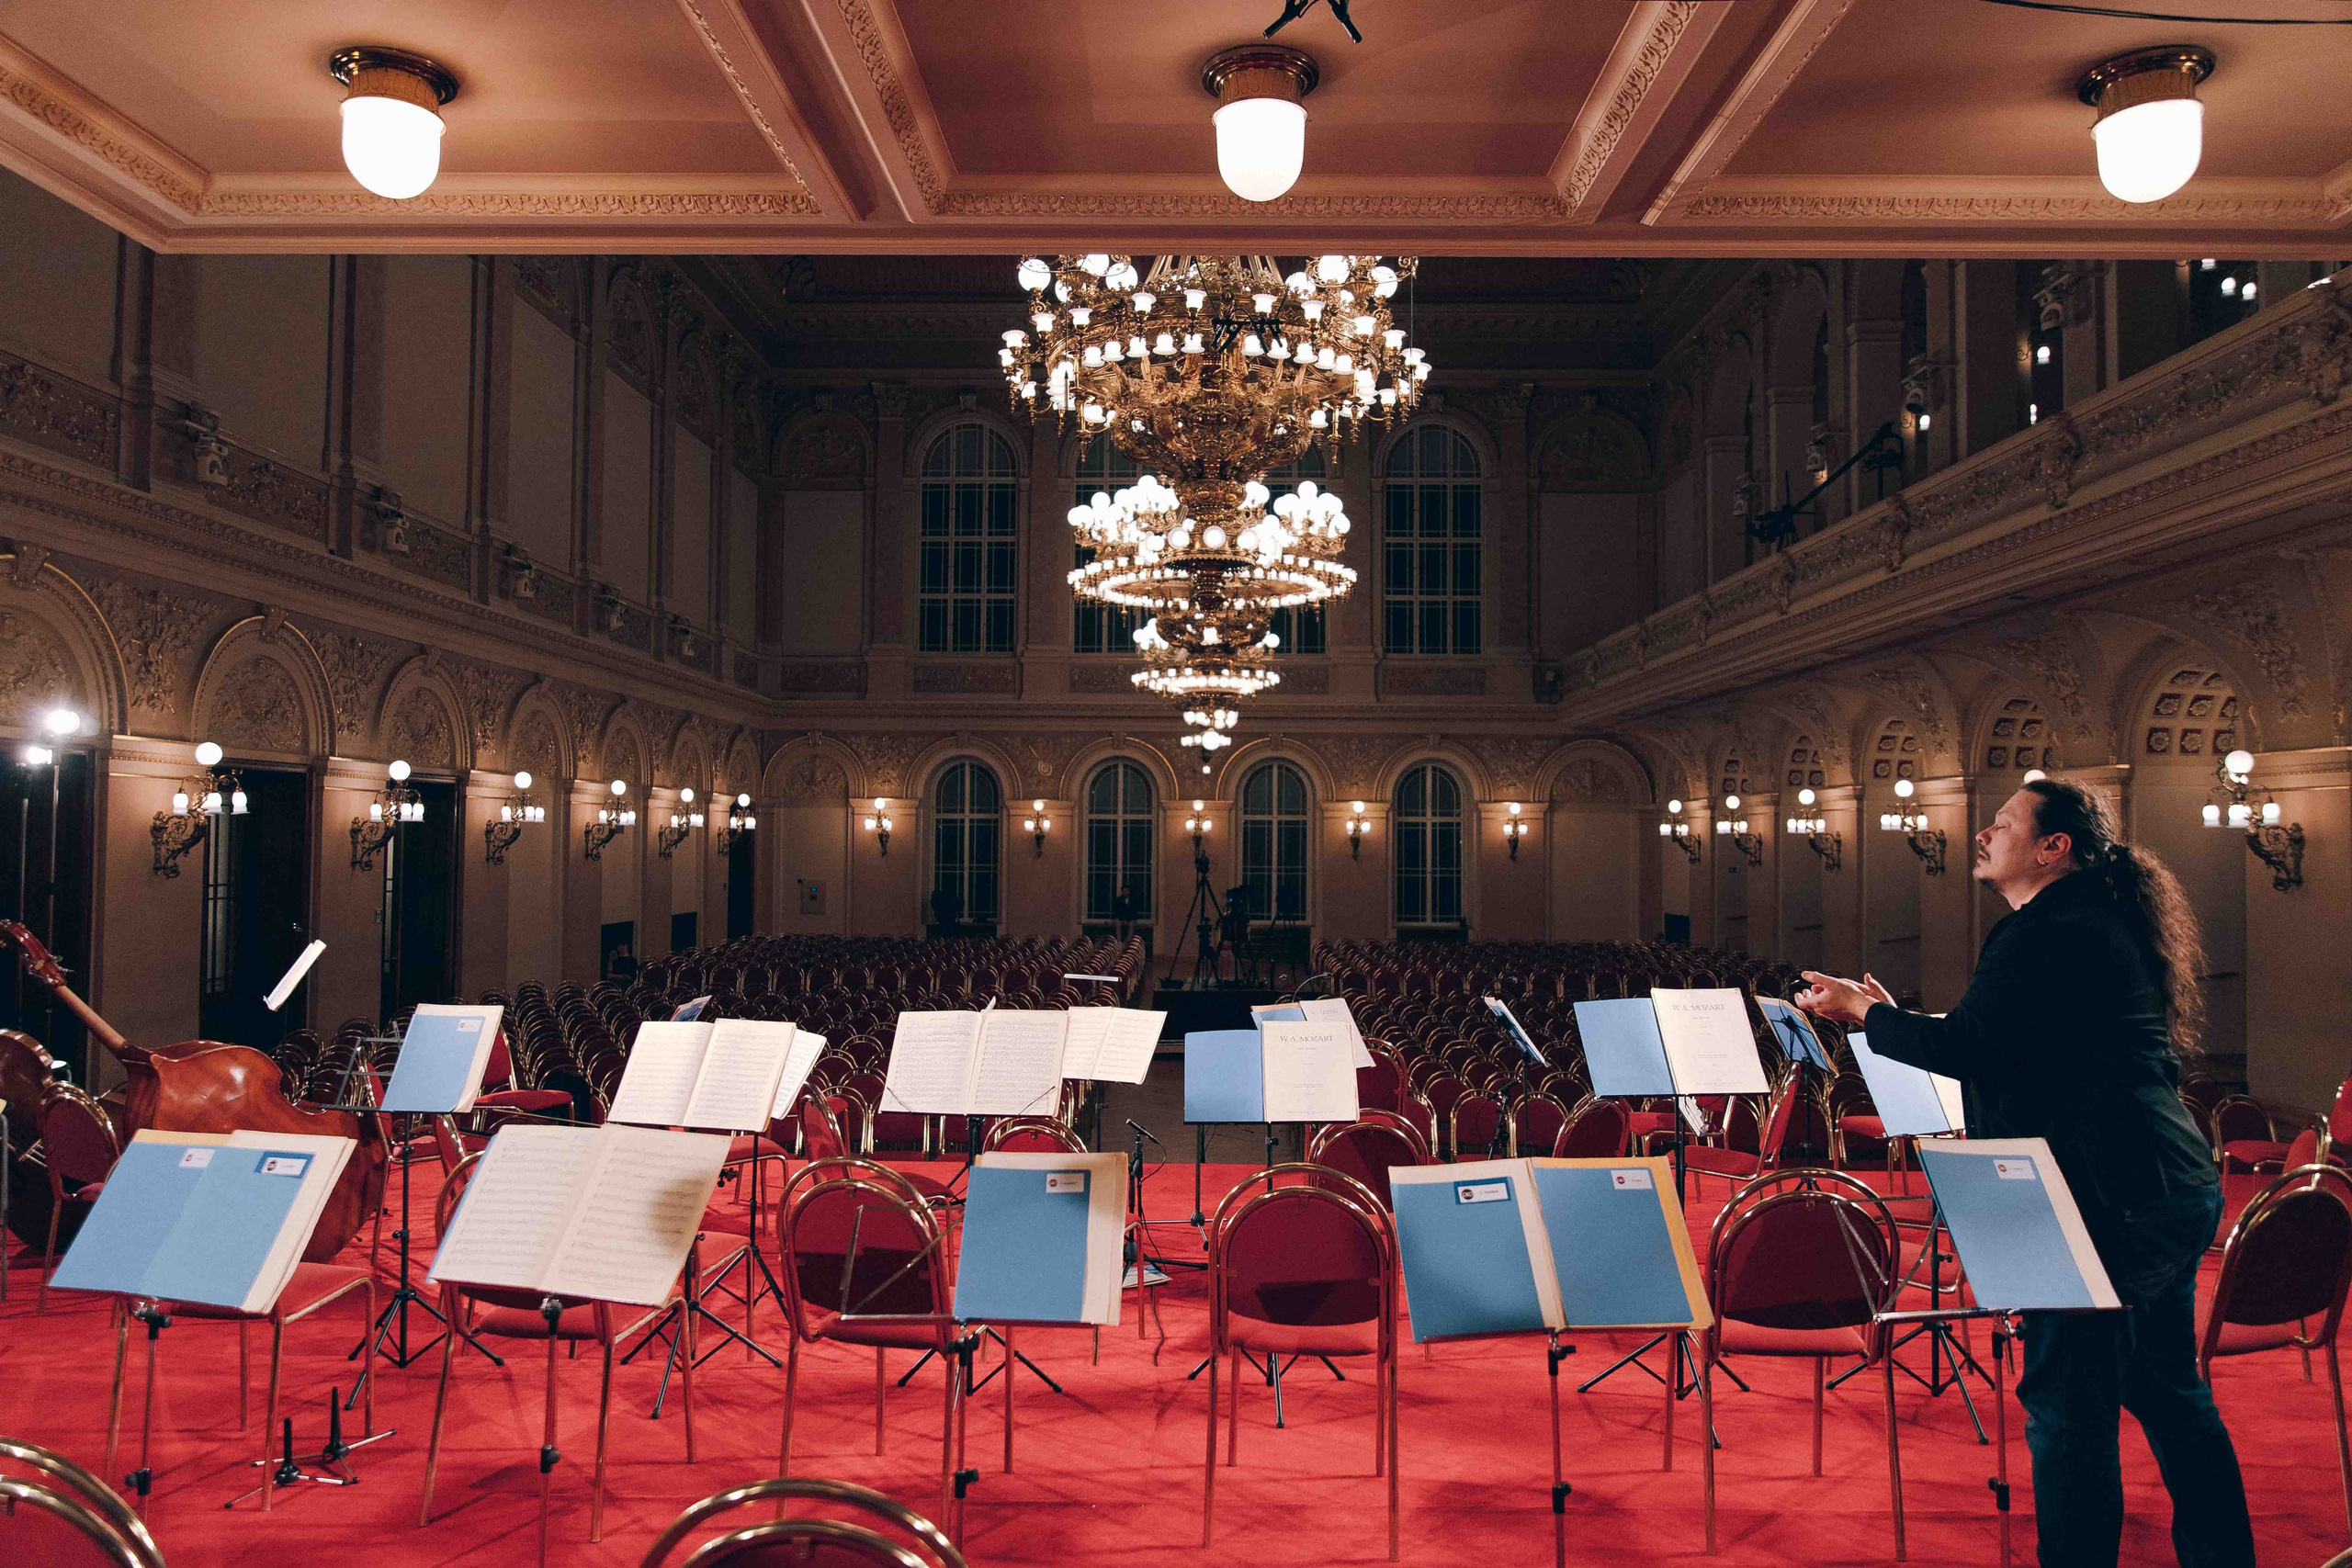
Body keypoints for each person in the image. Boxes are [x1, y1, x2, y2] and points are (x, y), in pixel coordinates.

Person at [1795, 776, 2253, 1568]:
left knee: (2068, 1408)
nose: (1984, 832)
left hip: (2101, 1199)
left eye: (2004, 823)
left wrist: (1863, 1013)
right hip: (2162, 1182)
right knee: (2165, 1390)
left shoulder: (2044, 929)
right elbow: (2019, 1041)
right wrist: (1894, 1016)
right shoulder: (2099, 918)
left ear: (2053, 847)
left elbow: (1970, 1046)